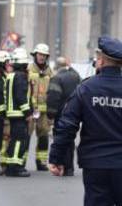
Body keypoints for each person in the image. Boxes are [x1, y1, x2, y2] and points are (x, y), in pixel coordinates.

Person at [49, 37, 122, 205]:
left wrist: (57, 158)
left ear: (101, 61)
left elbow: (67, 126)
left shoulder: (86, 88)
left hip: (95, 163)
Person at [46, 56, 81, 176]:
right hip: (74, 114)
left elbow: (53, 97)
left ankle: (61, 165)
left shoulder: (56, 78)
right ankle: (69, 167)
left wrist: (50, 114)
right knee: (70, 140)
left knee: (60, 140)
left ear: (56, 67)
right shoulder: (76, 76)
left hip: (61, 114)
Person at [4, 48, 32, 177]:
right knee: (20, 140)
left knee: (14, 139)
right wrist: (27, 113)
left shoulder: (11, 75)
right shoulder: (21, 76)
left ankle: (10, 166)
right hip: (19, 113)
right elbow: (21, 96)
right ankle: (16, 167)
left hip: (11, 112)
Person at [27, 43, 53, 171]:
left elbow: (53, 91)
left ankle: (41, 161)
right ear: (35, 55)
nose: (41, 57)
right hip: (31, 110)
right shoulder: (29, 69)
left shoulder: (50, 72)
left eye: (44, 55)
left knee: (43, 137)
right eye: (39, 54)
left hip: (44, 111)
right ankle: (21, 161)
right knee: (26, 135)